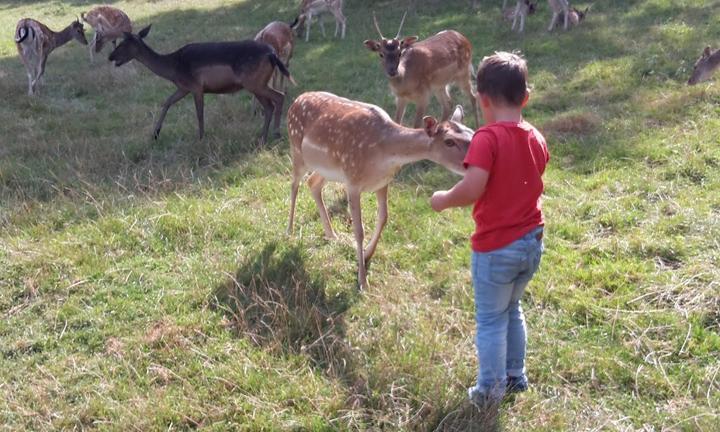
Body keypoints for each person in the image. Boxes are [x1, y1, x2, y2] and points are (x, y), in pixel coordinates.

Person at [430, 51, 549, 404]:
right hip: (531, 242)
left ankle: (489, 390)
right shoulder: (536, 137)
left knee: (491, 319)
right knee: (512, 309)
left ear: (482, 100)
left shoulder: (487, 139)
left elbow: (472, 188)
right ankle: (516, 375)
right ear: (525, 97)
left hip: (496, 248)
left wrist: (444, 198)